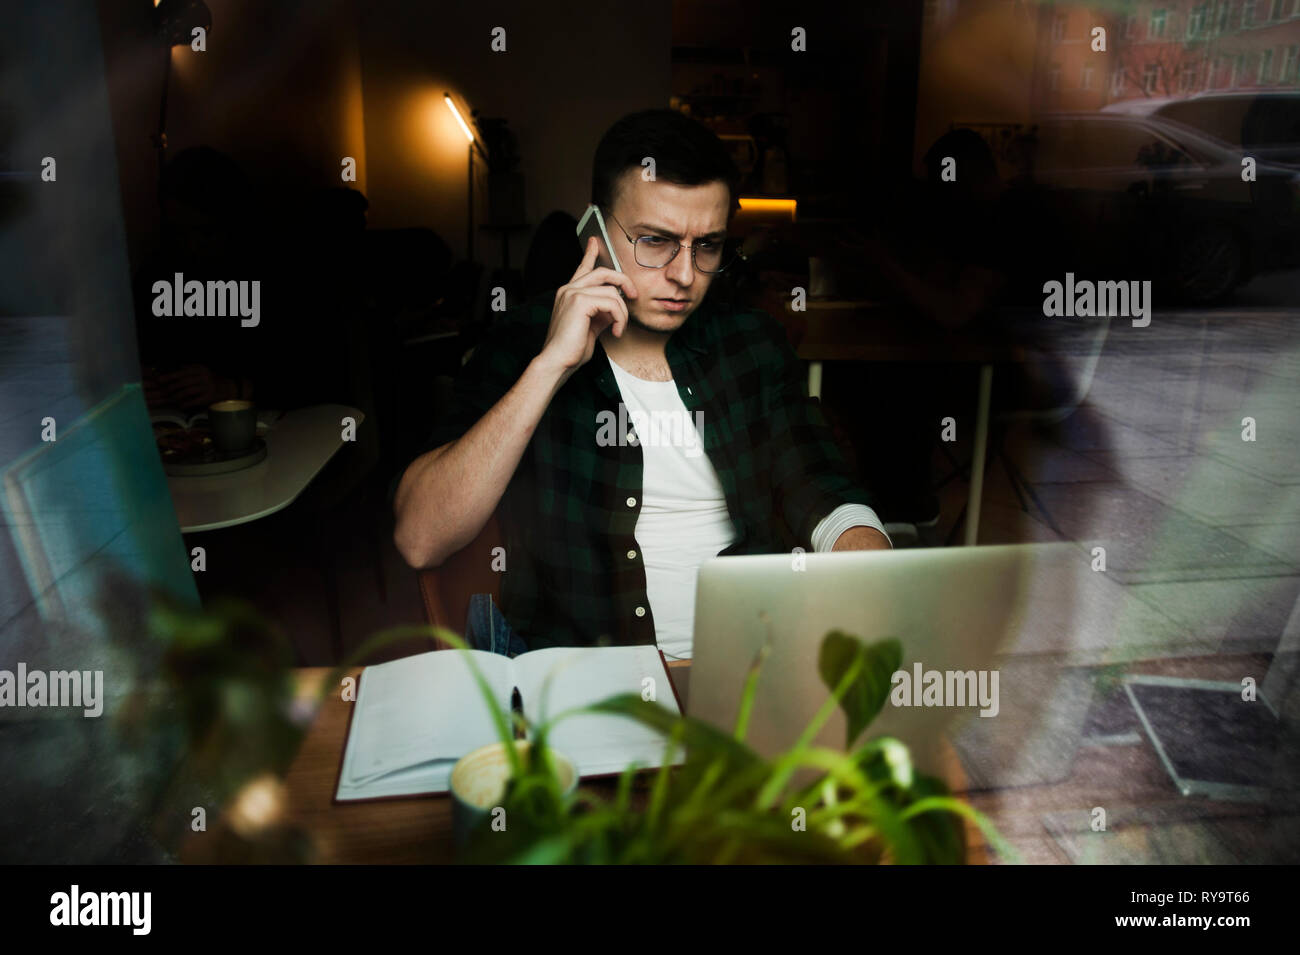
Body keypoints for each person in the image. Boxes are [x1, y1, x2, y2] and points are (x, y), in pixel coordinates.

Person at [393, 108, 890, 661]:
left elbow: (819, 484)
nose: (684, 275)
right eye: (656, 241)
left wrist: (869, 566)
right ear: (596, 233)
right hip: (584, 683)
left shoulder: (750, 342)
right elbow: (420, 538)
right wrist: (550, 367)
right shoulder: (524, 341)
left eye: (708, 246)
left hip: (747, 668)